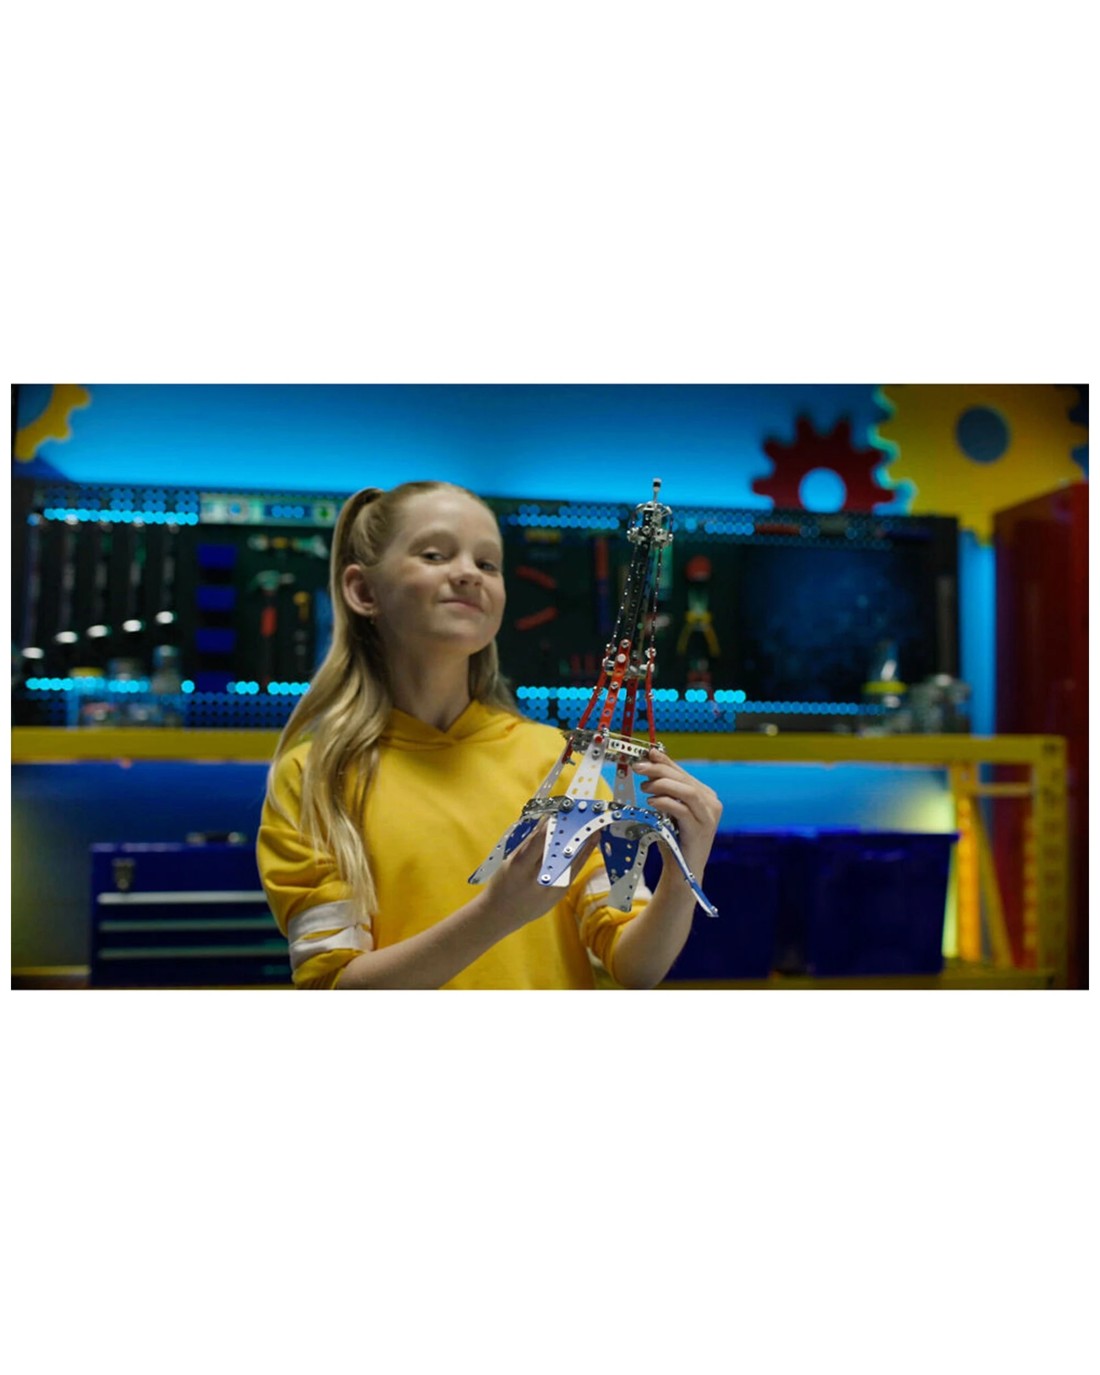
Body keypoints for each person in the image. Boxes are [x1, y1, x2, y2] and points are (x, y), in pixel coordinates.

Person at [257, 480, 722, 989]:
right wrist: (496, 914)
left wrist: (684, 871)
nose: (467, 574)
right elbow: (333, 988)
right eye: (434, 555)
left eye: (487, 564)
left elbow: (634, 966)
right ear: (363, 591)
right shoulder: (313, 777)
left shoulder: (555, 760)